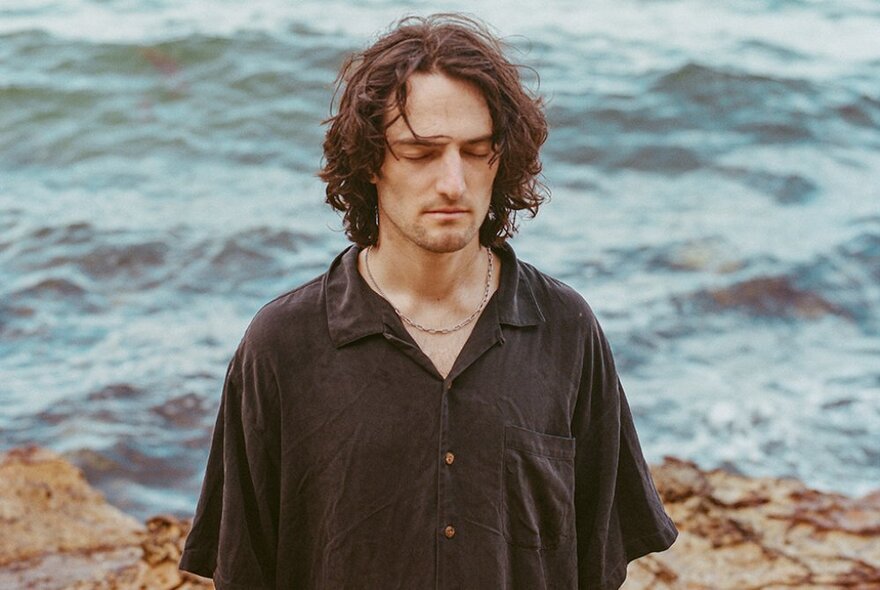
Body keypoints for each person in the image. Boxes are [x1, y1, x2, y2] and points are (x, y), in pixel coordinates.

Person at [179, 13, 677, 590]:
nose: (453, 183)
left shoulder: (566, 330)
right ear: (370, 163)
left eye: (476, 151)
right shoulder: (282, 345)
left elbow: (596, 564)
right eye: (420, 152)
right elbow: (243, 573)